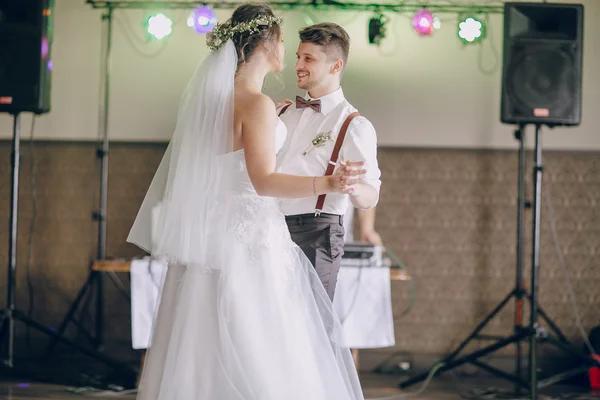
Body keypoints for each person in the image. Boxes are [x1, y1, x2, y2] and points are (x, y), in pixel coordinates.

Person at [127, 4, 366, 399]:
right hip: (251, 236)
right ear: (266, 43)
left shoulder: (209, 103)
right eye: (284, 41)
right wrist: (329, 180)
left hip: (211, 235)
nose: (287, 51)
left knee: (202, 334)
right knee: (261, 336)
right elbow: (264, 182)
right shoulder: (256, 104)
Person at [276, 23, 381, 302]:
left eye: (308, 59)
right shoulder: (283, 113)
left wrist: (353, 186)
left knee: (312, 329)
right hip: (269, 228)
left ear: (335, 67)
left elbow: (370, 195)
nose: (297, 64)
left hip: (317, 233)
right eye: (298, 57)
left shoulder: (355, 125)